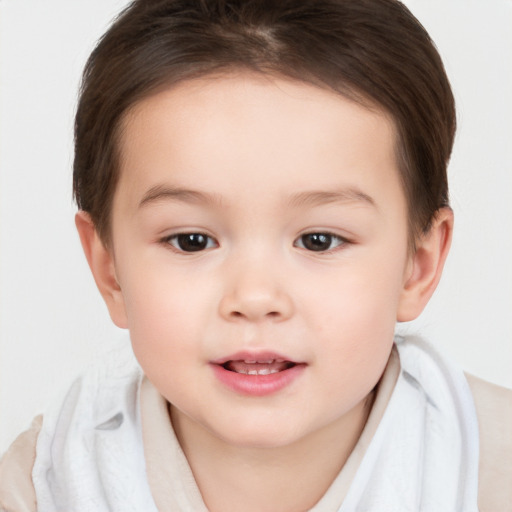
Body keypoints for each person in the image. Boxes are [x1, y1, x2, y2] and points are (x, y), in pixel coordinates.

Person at [1, 0, 510, 510]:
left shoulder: (490, 468)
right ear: (109, 269)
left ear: (416, 267)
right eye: (191, 241)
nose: (255, 298)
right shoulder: (43, 484)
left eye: (319, 240)